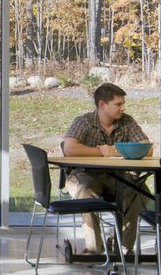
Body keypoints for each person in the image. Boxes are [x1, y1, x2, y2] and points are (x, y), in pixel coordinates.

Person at [59, 83, 151, 258]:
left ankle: (121, 246)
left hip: (117, 178)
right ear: (102, 105)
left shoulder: (127, 122)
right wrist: (102, 152)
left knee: (141, 191)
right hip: (84, 175)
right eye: (118, 104)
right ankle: (94, 248)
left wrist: (115, 151)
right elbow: (69, 149)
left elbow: (147, 148)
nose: (122, 108)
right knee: (86, 189)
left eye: (123, 104)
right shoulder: (84, 121)